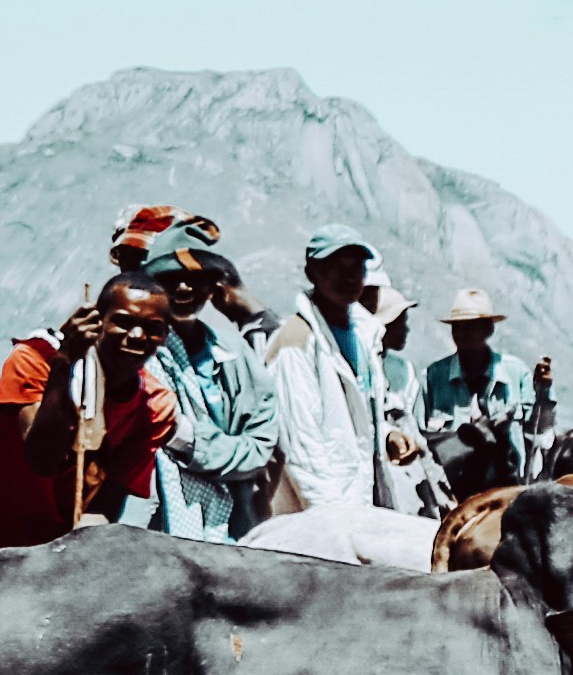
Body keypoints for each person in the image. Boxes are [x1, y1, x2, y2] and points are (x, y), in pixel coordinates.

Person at [0, 273, 180, 563]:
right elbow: (42, 459)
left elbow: (105, 505)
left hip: (48, 557)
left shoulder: (154, 405)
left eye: (153, 328)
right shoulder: (35, 358)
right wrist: (64, 362)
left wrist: (73, 562)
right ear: (97, 322)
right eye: (123, 322)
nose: (138, 337)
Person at [264, 227, 423, 527]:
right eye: (335, 267)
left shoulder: (362, 336)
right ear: (312, 272)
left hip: (357, 502)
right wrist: (335, 523)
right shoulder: (297, 343)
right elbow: (303, 445)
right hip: (320, 516)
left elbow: (355, 413)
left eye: (356, 268)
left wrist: (387, 433)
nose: (348, 277)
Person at [144, 241, 280, 535]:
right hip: (152, 525)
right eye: (169, 280)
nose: (183, 288)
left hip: (232, 523)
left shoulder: (234, 351)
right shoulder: (139, 354)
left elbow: (261, 445)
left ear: (212, 287)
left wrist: (189, 442)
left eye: (195, 279)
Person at [414, 290, 545, 504]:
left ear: (489, 329)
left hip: (507, 492)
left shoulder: (516, 373)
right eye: (458, 327)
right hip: (452, 496)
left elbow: (539, 431)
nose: (464, 333)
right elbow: (418, 438)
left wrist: (544, 391)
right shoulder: (433, 377)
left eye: (472, 326)